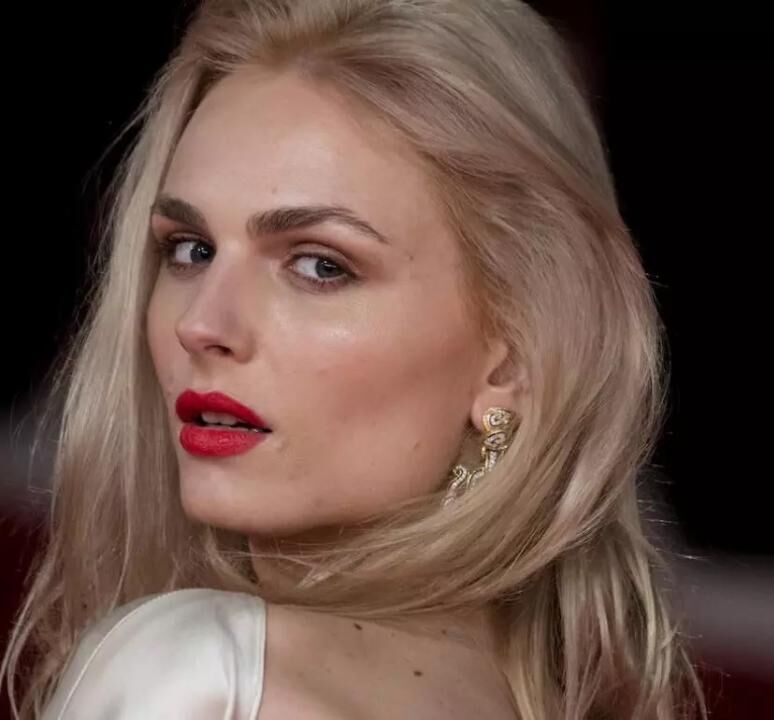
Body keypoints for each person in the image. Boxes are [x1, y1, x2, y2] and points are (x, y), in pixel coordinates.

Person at [2, 1, 705, 718]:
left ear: (513, 361)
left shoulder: (197, 674)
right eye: (190, 249)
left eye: (319, 265)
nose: (201, 324)